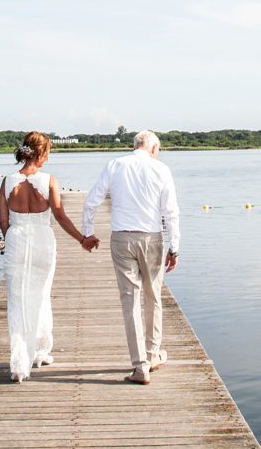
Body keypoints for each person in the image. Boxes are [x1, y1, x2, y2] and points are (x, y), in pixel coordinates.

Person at [81, 130, 180, 385]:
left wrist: (89, 233)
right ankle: (153, 354)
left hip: (122, 239)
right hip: (152, 239)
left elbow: (91, 201)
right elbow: (171, 213)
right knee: (153, 297)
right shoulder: (161, 169)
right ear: (154, 148)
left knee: (130, 301)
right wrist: (174, 248)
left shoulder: (115, 165)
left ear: (135, 145)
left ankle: (140, 366)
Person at [0, 130, 97, 382]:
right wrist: (82, 239)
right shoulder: (49, 180)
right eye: (48, 153)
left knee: (18, 300)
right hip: (42, 240)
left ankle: (20, 364)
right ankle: (40, 352)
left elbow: (3, 221)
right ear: (40, 153)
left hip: (16, 239)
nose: (48, 158)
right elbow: (60, 216)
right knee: (41, 295)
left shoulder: (7, 181)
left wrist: (13, 240)